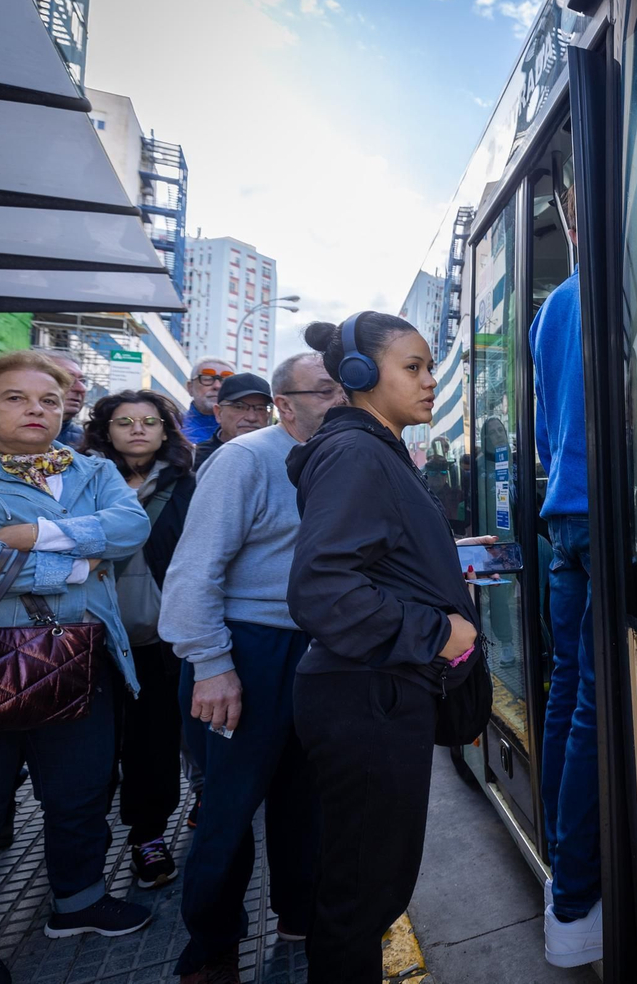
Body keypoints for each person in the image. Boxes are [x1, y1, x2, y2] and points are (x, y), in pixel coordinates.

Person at [0, 351, 153, 984]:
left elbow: (130, 527)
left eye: (47, 399)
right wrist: (78, 561)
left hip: (75, 658)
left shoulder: (91, 467)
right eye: (14, 398)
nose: (34, 410)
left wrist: (29, 535)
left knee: (80, 796)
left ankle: (77, 903)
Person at [285, 313, 480, 982]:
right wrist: (438, 633)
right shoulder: (356, 453)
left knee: (371, 885)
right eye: (414, 367)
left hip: (375, 692)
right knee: (362, 896)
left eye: (430, 367)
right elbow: (322, 587)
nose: (430, 381)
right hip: (365, 695)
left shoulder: (377, 449)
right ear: (361, 376)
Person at [158, 353, 343, 984]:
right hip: (247, 649)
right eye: (324, 391)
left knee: (306, 801)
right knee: (230, 809)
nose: (341, 400)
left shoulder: (344, 458)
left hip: (320, 653)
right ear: (284, 403)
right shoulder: (244, 460)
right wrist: (211, 664)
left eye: (345, 388)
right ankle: (211, 949)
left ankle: (299, 914)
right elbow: (194, 569)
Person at [83, 391, 198, 890]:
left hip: (158, 640)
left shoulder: (189, 486)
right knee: (89, 750)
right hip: (87, 640)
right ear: (104, 429)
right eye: (124, 421)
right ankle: (80, 853)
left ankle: (147, 836)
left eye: (149, 421)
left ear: (166, 430)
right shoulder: (75, 481)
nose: (137, 429)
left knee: (154, 743)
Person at [529, 186, 601, 968]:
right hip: (612, 517)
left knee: (565, 692)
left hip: (564, 518)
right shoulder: (626, 290)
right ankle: (578, 900)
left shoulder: (551, 308)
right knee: (592, 705)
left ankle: (560, 870)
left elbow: (552, 424)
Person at [192, 373, 272, 471]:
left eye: (260, 408)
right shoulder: (193, 459)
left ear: (268, 415)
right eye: (239, 407)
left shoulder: (280, 458)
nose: (251, 417)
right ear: (218, 413)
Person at [37, 350, 89, 448]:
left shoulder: (91, 444)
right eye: (68, 379)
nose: (81, 388)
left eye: (83, 381)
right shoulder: (3, 436)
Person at [181, 358, 234, 445]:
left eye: (225, 381)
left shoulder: (246, 428)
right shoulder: (172, 427)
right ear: (190, 387)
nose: (217, 386)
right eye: (207, 379)